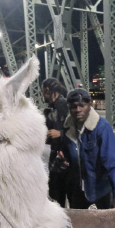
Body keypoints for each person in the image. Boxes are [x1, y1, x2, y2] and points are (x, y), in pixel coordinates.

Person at [61, 88, 115, 209]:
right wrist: (63, 161)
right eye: (73, 107)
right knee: (78, 224)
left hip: (101, 188)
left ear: (90, 105)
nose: (78, 110)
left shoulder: (101, 127)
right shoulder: (67, 129)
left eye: (82, 105)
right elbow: (67, 155)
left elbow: (114, 163)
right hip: (78, 188)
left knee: (109, 224)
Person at [42, 78, 69, 207]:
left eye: (43, 92)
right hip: (55, 157)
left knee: (66, 192)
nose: (42, 95)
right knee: (55, 194)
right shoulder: (49, 110)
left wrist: (60, 133)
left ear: (47, 90)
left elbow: (78, 130)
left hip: (68, 156)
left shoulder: (66, 105)